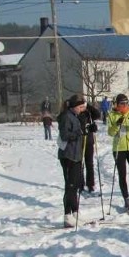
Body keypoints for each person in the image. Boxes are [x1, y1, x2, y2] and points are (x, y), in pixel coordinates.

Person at [57, 94, 87, 228]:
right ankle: (67, 215)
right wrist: (79, 133)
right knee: (70, 185)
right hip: (68, 155)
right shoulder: (66, 116)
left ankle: (75, 213)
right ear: (75, 106)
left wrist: (85, 130)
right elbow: (64, 135)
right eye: (80, 107)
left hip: (76, 155)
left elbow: (78, 131)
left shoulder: (74, 116)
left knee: (75, 185)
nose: (82, 109)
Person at [78, 101, 101, 194]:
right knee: (80, 164)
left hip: (89, 141)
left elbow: (97, 114)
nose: (82, 107)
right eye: (80, 106)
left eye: (83, 105)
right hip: (79, 142)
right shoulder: (76, 114)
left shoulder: (88, 112)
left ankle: (90, 184)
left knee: (89, 164)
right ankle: (80, 184)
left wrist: (89, 106)